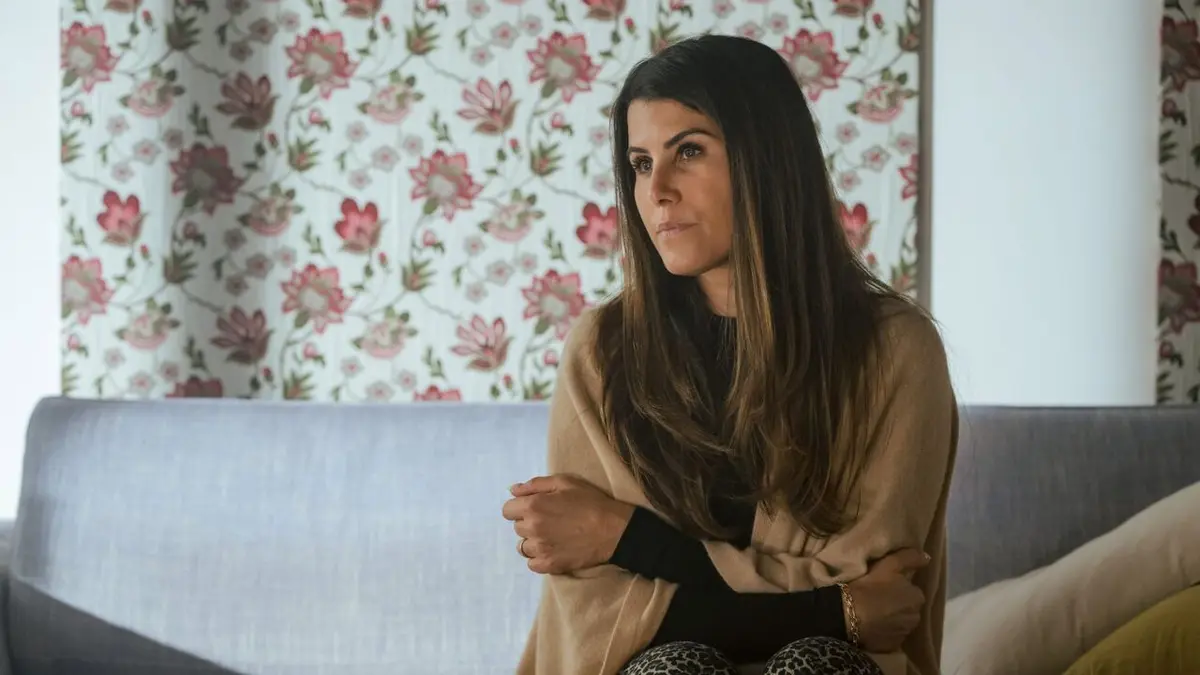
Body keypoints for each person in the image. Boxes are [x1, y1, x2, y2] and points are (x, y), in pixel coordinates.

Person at [502, 34, 957, 675]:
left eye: (688, 151)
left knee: (817, 663)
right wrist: (833, 608)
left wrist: (625, 537)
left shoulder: (893, 351)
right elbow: (600, 614)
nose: (657, 190)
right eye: (640, 163)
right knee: (675, 667)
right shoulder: (603, 352)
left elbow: (883, 596)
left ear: (766, 161)